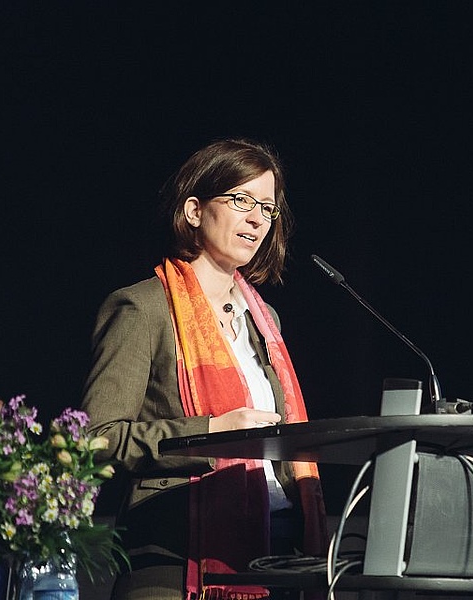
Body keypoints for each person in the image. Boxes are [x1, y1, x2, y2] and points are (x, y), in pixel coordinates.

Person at [81, 138, 328, 600]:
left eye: (267, 209)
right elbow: (98, 437)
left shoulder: (265, 319)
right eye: (241, 200)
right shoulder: (141, 308)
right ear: (194, 210)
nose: (257, 219)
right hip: (173, 558)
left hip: (276, 557)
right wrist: (210, 433)